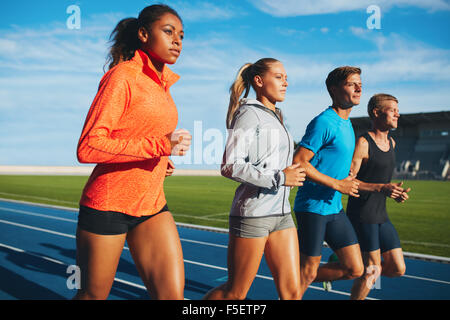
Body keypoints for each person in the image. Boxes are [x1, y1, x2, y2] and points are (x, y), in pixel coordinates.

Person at [74, 4, 191, 300]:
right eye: (168, 32)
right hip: (108, 205)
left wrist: (160, 160)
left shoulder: (164, 86)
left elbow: (138, 138)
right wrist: (159, 146)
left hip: (151, 205)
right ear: (142, 34)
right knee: (93, 296)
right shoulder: (123, 77)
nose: (177, 40)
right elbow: (89, 146)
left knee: (171, 297)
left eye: (181, 35)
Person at [203, 58, 306, 300]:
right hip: (254, 215)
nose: (286, 83)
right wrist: (280, 178)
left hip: (282, 214)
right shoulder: (249, 114)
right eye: (279, 77)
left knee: (292, 293)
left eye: (286, 78)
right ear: (259, 81)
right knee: (235, 293)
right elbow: (230, 165)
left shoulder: (275, 116)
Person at [293, 66, 364, 298]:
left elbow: (333, 164)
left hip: (335, 208)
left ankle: (296, 277)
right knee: (307, 272)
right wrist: (338, 185)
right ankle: (297, 280)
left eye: (359, 83)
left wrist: (348, 179)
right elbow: (300, 162)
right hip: (312, 208)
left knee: (355, 268)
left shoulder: (348, 124)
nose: (359, 87)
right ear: (334, 89)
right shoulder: (324, 122)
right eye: (352, 83)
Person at [347, 93, 409, 300]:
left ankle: (345, 266)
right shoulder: (364, 143)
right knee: (373, 270)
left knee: (398, 268)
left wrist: (395, 194)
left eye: (397, 111)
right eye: (392, 110)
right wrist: (381, 187)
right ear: (376, 112)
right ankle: (355, 270)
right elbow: (348, 182)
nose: (397, 114)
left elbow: (384, 184)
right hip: (362, 215)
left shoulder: (392, 143)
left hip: (381, 215)